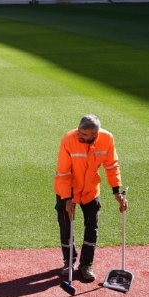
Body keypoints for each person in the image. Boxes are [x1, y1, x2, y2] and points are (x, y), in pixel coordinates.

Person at [54, 115, 127, 282]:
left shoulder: (107, 139)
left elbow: (111, 166)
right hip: (67, 189)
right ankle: (69, 262)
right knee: (66, 226)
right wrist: (66, 198)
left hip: (90, 190)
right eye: (80, 131)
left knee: (92, 226)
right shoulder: (68, 139)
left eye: (85, 134)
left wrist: (117, 191)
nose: (80, 136)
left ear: (95, 134)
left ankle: (86, 265)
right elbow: (63, 172)